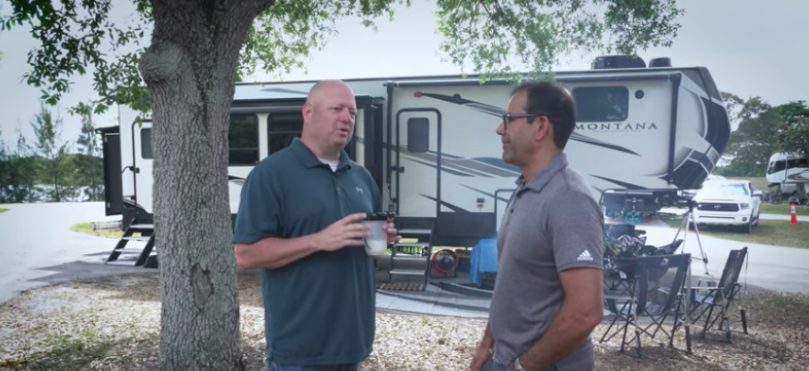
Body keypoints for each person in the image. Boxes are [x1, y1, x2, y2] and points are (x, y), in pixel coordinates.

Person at [233, 80, 396, 371]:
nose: (347, 118)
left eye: (352, 112)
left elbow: (374, 254)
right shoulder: (270, 175)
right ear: (308, 112)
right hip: (299, 351)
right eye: (336, 109)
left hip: (352, 345)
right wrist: (318, 240)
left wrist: (382, 240)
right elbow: (246, 255)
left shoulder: (360, 177)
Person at [470, 82, 604, 371]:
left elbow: (586, 312)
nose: (500, 129)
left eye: (509, 119)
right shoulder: (526, 188)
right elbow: (510, 281)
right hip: (506, 358)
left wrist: (525, 365)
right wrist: (487, 344)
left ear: (541, 126)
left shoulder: (569, 199)